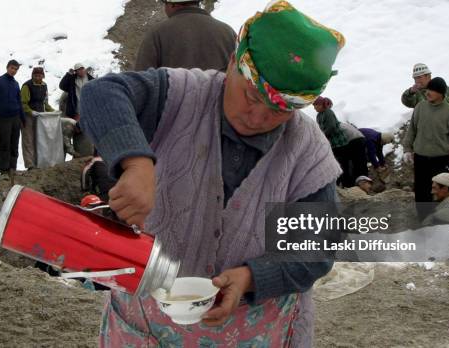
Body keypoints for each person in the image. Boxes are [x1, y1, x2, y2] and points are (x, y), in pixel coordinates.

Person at [80, 1, 345, 345]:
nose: (257, 117)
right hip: (148, 324)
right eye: (251, 95)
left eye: (278, 112)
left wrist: (251, 277)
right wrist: (136, 162)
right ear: (234, 60)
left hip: (252, 329)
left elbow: (318, 248)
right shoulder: (179, 94)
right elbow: (101, 94)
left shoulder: (306, 151)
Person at [403, 77, 449, 219]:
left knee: (443, 191)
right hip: (421, 158)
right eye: (428, 89)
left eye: (432, 90)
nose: (428, 92)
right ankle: (423, 220)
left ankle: (448, 219)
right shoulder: (420, 107)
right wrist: (407, 149)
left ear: (441, 94)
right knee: (422, 191)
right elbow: (412, 130)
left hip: (441, 160)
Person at [134, 0, 236, 71]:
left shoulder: (157, 33)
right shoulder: (228, 32)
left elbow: (140, 83)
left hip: (172, 102)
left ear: (172, 4)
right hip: (221, 102)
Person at [314, 97, 367, 187]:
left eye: (316, 105)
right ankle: (347, 183)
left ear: (321, 105)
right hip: (335, 144)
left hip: (340, 143)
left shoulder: (328, 112)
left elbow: (331, 127)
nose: (314, 107)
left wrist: (322, 136)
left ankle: (351, 184)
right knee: (343, 163)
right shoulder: (319, 115)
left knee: (346, 163)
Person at [0, 59, 25, 184]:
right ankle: (3, 169)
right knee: (5, 144)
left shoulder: (16, 84)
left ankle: (12, 168)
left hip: (16, 117)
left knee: (14, 143)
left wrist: (22, 118)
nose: (13, 71)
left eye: (16, 69)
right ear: (7, 67)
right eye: (12, 68)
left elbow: (19, 102)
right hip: (3, 118)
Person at [20, 67, 55, 170]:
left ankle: (39, 162)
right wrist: (30, 111)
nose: (38, 77)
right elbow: (22, 103)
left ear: (43, 76)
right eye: (36, 75)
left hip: (40, 116)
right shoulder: (27, 86)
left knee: (39, 139)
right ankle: (30, 164)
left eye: (40, 75)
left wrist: (53, 111)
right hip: (27, 116)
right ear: (32, 75)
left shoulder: (44, 86)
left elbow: (45, 103)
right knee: (28, 140)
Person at [59, 63, 94, 156]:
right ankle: (72, 154)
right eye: (78, 69)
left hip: (88, 112)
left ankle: (82, 154)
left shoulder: (91, 80)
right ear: (76, 71)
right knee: (72, 131)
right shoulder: (72, 80)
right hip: (75, 112)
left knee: (84, 134)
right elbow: (62, 86)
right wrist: (68, 75)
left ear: (85, 69)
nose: (81, 70)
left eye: (82, 68)